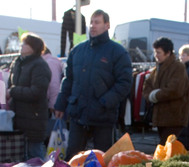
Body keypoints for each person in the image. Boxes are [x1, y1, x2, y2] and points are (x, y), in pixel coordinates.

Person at [54, 9, 132, 158]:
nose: (92, 26)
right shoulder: (77, 50)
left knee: (102, 161)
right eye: (91, 22)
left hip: (103, 117)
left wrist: (105, 102)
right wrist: (60, 104)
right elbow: (68, 79)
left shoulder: (118, 52)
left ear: (107, 25)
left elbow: (125, 83)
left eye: (97, 22)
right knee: (73, 158)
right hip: (78, 114)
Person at [6, 33, 51, 159]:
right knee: (20, 159)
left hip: (34, 120)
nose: (22, 45)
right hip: (18, 119)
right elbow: (10, 84)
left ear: (33, 47)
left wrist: (12, 92)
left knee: (34, 157)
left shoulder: (40, 65)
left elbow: (37, 92)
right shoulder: (17, 63)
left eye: (25, 43)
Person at [142, 37, 189, 145]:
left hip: (174, 117)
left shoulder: (178, 67)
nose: (156, 55)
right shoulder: (156, 69)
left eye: (159, 52)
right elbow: (147, 86)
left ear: (168, 53)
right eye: (155, 52)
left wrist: (155, 95)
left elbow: (175, 89)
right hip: (161, 117)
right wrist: (150, 95)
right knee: (165, 148)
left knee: (167, 148)